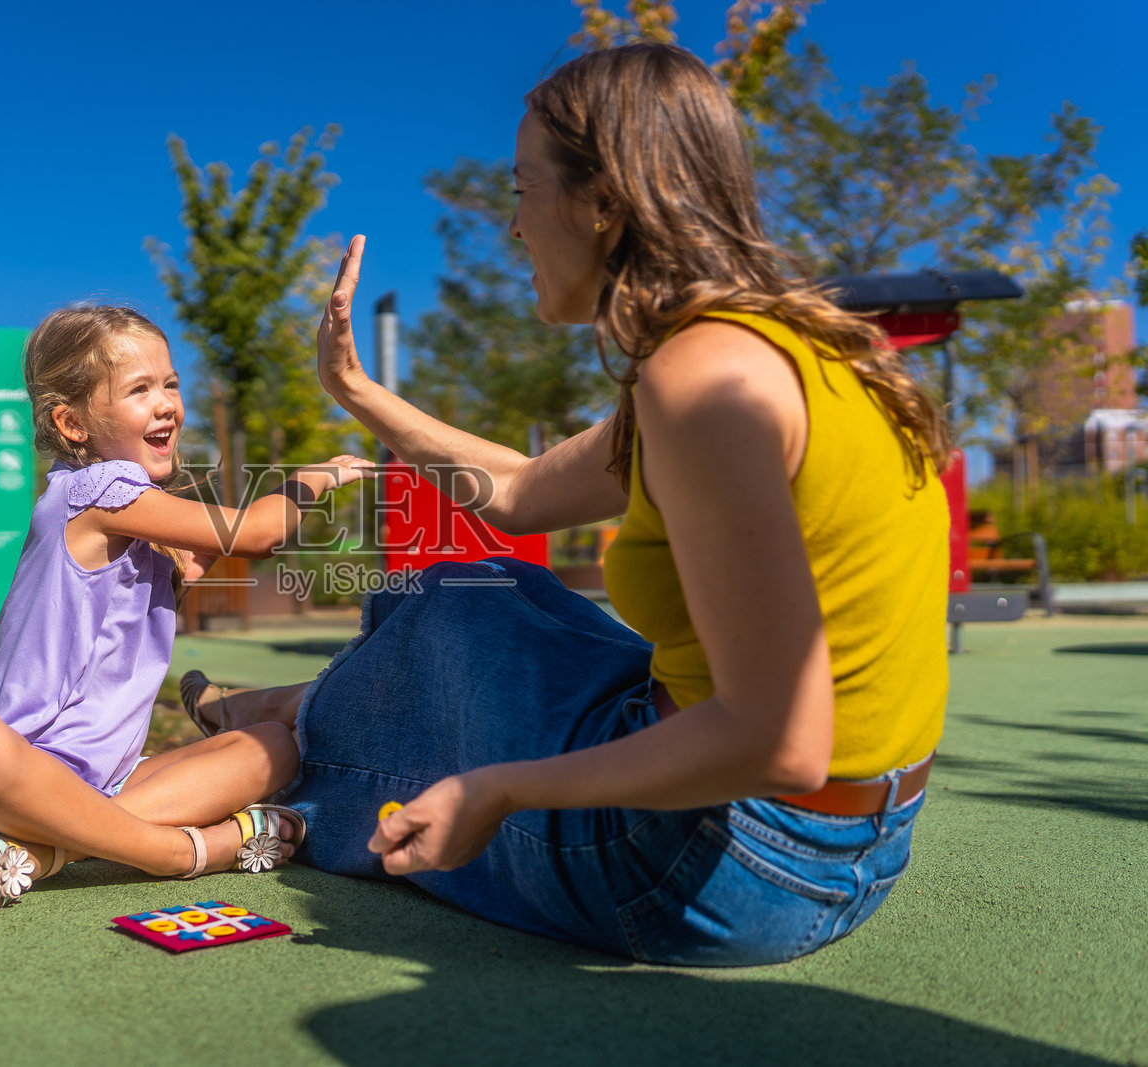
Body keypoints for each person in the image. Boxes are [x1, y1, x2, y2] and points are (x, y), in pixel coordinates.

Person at [180, 43, 950, 965]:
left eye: (519, 190)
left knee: (437, 642)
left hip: (719, 859)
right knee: (485, 590)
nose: (513, 228)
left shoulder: (701, 382)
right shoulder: (773, 348)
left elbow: (777, 740)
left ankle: (283, 726)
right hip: (853, 841)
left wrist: (500, 792)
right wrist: (354, 387)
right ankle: (291, 705)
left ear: (605, 201)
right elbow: (516, 491)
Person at [0, 304, 372, 910]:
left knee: (271, 744)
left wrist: (199, 546)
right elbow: (256, 534)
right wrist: (315, 480)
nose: (167, 403)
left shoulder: (131, 509)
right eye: (140, 389)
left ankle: (39, 853)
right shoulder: (97, 493)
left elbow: (187, 569)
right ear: (73, 423)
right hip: (21, 769)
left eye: (170, 383)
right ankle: (183, 852)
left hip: (105, 780)